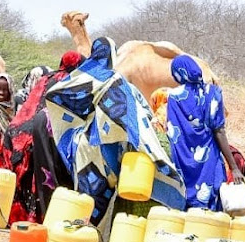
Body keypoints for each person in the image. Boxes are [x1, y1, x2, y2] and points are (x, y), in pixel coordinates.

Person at [45, 37, 186, 224]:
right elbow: (133, 113)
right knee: (103, 196)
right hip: (106, 146)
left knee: (85, 193)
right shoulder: (115, 80)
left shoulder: (80, 76)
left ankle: (76, 230)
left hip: (85, 146)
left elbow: (54, 95)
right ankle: (96, 236)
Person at [2, 52, 83, 223]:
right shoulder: (73, 82)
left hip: (19, 133)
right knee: (46, 175)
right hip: (45, 132)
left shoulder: (46, 78)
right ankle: (42, 219)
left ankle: (19, 218)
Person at [165, 54, 244, 210]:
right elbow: (219, 131)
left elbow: (173, 134)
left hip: (183, 163)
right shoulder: (213, 93)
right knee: (210, 213)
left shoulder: (173, 97)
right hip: (209, 163)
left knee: (185, 212)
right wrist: (234, 167)